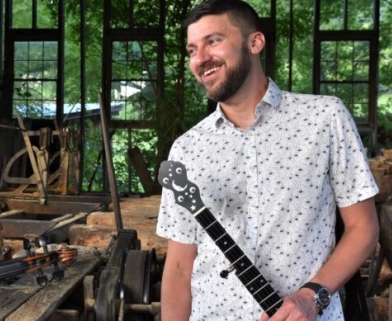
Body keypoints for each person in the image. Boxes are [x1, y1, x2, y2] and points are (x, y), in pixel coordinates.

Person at [156, 0, 379, 320]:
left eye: (213, 41)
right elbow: (179, 266)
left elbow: (363, 228)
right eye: (192, 50)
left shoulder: (324, 118)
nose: (200, 58)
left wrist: (312, 296)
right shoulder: (187, 149)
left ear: (255, 42)